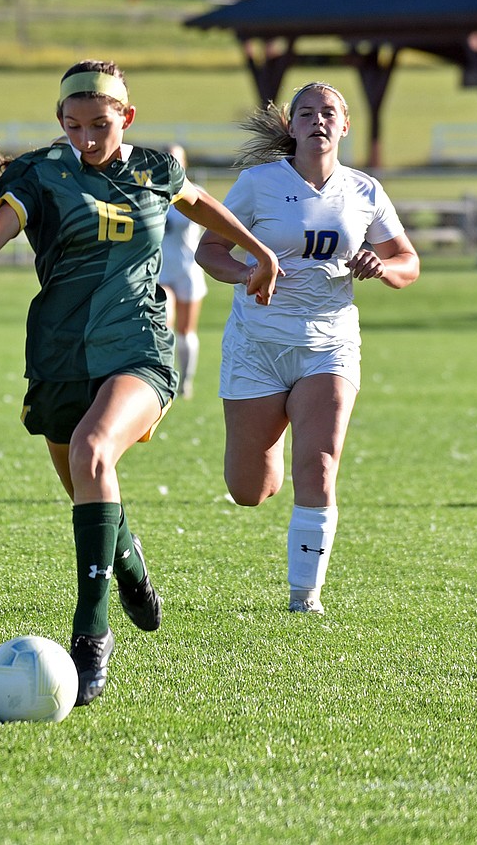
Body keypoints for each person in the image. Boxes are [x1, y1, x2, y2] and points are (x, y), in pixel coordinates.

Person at [0, 60, 279, 707]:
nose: (85, 136)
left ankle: (91, 635)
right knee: (88, 482)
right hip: (58, 358)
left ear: (126, 118)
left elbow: (202, 204)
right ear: (59, 121)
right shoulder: (39, 174)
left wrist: (260, 252)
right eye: (73, 124)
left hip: (138, 348)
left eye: (99, 124)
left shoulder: (156, 169)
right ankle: (129, 563)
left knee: (94, 452)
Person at [196, 82, 419, 615]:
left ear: (344, 126)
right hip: (258, 346)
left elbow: (407, 261)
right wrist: (248, 270)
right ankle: (267, 444)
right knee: (249, 489)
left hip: (330, 345)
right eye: (307, 113)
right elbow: (209, 249)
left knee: (318, 465)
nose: (319, 121)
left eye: (329, 113)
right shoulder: (257, 184)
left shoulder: (365, 191)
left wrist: (382, 267)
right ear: (290, 126)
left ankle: (305, 596)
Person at [157, 145, 208, 398]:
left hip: (188, 269)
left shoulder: (195, 193)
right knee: (162, 323)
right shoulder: (150, 193)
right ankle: (163, 376)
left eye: (175, 160)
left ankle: (185, 381)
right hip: (160, 270)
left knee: (186, 330)